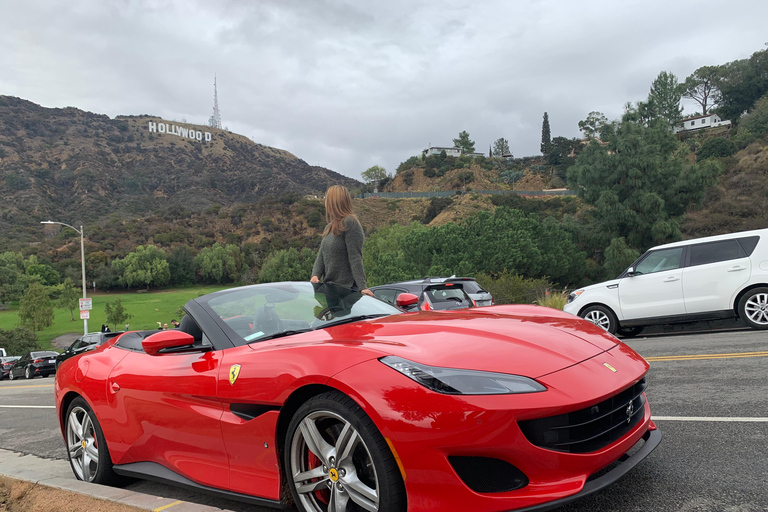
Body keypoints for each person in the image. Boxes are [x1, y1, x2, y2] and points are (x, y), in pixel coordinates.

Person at [311, 186, 373, 296]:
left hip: (346, 289)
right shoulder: (328, 228)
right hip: (330, 288)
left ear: (334, 202)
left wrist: (362, 287)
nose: (325, 203)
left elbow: (355, 257)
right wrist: (315, 275)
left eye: (327, 199)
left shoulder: (350, 223)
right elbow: (321, 255)